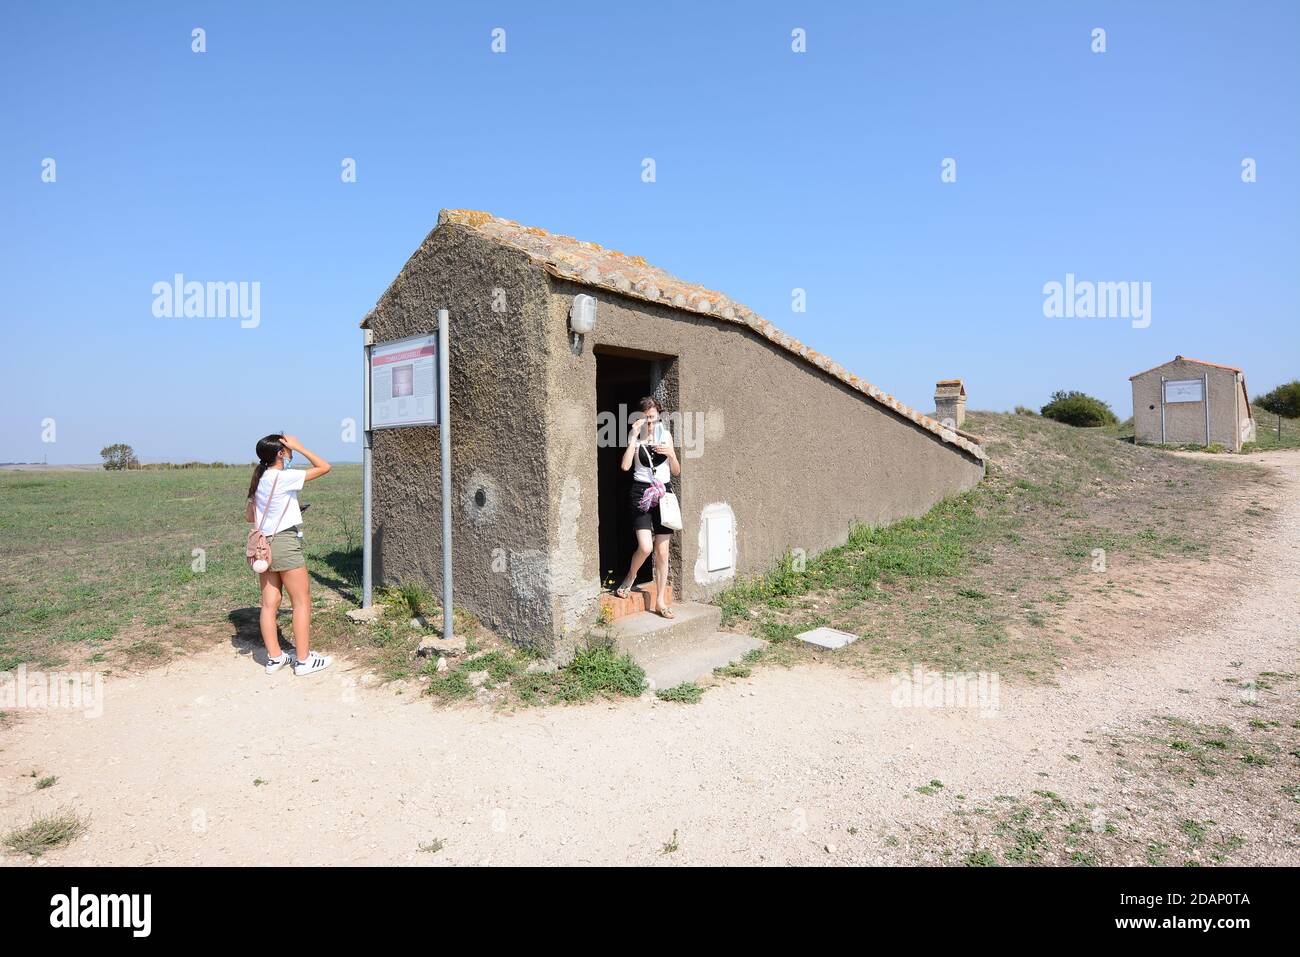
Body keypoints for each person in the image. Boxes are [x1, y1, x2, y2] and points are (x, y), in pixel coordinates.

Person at [244, 433, 333, 676]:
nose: (291, 449)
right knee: (301, 602)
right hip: (284, 542)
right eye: (287, 447)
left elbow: (249, 517)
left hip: (263, 546)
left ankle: (275, 658)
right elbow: (325, 467)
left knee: (268, 604)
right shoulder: (284, 477)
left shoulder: (260, 478)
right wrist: (300, 447)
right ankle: (303, 661)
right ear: (281, 453)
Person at [613, 397, 681, 618]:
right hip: (641, 493)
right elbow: (625, 466)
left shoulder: (666, 435)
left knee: (662, 551)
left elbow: (676, 470)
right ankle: (631, 577)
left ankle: (660, 601)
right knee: (645, 547)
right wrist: (633, 438)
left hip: (664, 493)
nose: (650, 422)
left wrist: (671, 454)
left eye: (653, 418)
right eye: (646, 418)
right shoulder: (636, 437)